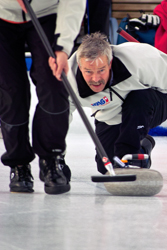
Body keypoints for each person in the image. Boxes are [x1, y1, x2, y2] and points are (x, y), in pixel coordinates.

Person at [49, 32, 167, 174]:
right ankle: (143, 145)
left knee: (139, 97)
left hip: (149, 105)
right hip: (110, 115)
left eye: (101, 70)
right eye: (88, 71)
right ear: (80, 66)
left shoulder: (141, 60)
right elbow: (58, 122)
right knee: (106, 166)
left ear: (110, 63)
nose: (96, 78)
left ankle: (129, 154)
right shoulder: (67, 82)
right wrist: (57, 159)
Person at [0, 0, 86, 194]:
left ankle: (51, 158)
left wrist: (62, 47)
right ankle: (18, 163)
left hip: (48, 13)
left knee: (54, 85)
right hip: (2, 15)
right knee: (10, 93)